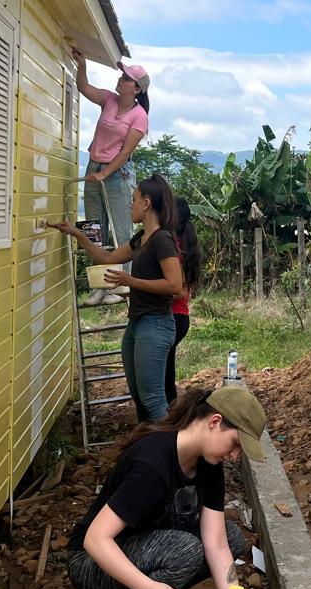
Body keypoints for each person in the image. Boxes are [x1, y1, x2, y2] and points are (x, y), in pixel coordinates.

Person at [65, 386, 275, 589]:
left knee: (232, 536)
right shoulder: (153, 463)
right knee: (185, 549)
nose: (235, 456)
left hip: (143, 547)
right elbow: (95, 540)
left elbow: (217, 542)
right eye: (235, 444)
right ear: (215, 422)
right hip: (91, 563)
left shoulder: (209, 466)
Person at [54, 174, 182, 423]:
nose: (129, 205)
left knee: (154, 400)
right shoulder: (140, 240)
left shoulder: (162, 241)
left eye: (133, 200)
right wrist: (77, 234)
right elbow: (107, 258)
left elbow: (175, 285)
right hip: (137, 325)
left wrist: (131, 281)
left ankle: (175, 455)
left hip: (156, 325)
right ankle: (150, 452)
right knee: (140, 398)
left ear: (146, 204)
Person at [72, 47, 150, 305]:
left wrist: (105, 172)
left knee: (120, 230)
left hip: (117, 174)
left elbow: (126, 151)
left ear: (136, 89)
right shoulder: (109, 100)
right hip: (95, 168)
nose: (121, 79)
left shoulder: (139, 117)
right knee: (93, 229)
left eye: (126, 78)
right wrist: (81, 63)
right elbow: (84, 87)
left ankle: (121, 287)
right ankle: (100, 285)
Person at [166, 198, 202, 404]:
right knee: (166, 368)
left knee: (164, 371)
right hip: (180, 317)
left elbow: (180, 292)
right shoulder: (183, 244)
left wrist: (140, 288)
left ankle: (168, 414)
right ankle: (170, 409)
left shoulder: (173, 248)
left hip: (174, 317)